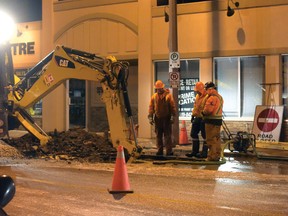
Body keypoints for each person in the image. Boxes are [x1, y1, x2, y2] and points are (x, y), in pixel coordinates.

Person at [148, 80, 176, 156]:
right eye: (157, 89)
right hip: (158, 118)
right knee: (158, 135)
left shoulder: (168, 96)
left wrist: (173, 116)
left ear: (162, 87)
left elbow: (172, 107)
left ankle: (169, 151)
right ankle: (159, 150)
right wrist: (150, 116)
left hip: (166, 118)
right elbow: (151, 107)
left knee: (167, 136)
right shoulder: (154, 96)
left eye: (159, 88)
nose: (158, 90)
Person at [202, 81, 224, 161]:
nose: (206, 91)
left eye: (206, 89)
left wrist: (203, 113)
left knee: (210, 139)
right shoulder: (220, 97)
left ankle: (212, 157)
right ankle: (217, 155)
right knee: (217, 139)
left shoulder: (211, 98)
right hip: (218, 120)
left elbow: (207, 110)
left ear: (211, 89)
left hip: (211, 120)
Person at [186, 81, 208, 158]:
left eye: (197, 90)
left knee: (205, 135)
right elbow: (195, 106)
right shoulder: (198, 96)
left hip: (203, 118)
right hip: (197, 117)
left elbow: (206, 108)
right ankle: (195, 152)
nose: (196, 91)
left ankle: (204, 153)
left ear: (201, 89)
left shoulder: (207, 96)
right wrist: (192, 115)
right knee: (193, 134)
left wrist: (204, 117)